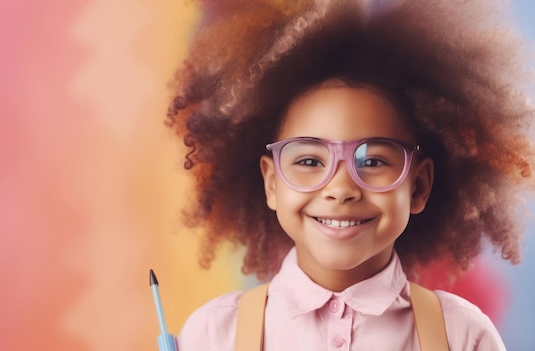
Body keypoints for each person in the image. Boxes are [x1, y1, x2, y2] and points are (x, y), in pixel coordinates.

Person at [165, 0, 535, 350]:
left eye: (372, 161)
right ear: (272, 183)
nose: (341, 188)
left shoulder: (464, 335)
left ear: (418, 186)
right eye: (309, 161)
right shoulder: (214, 333)